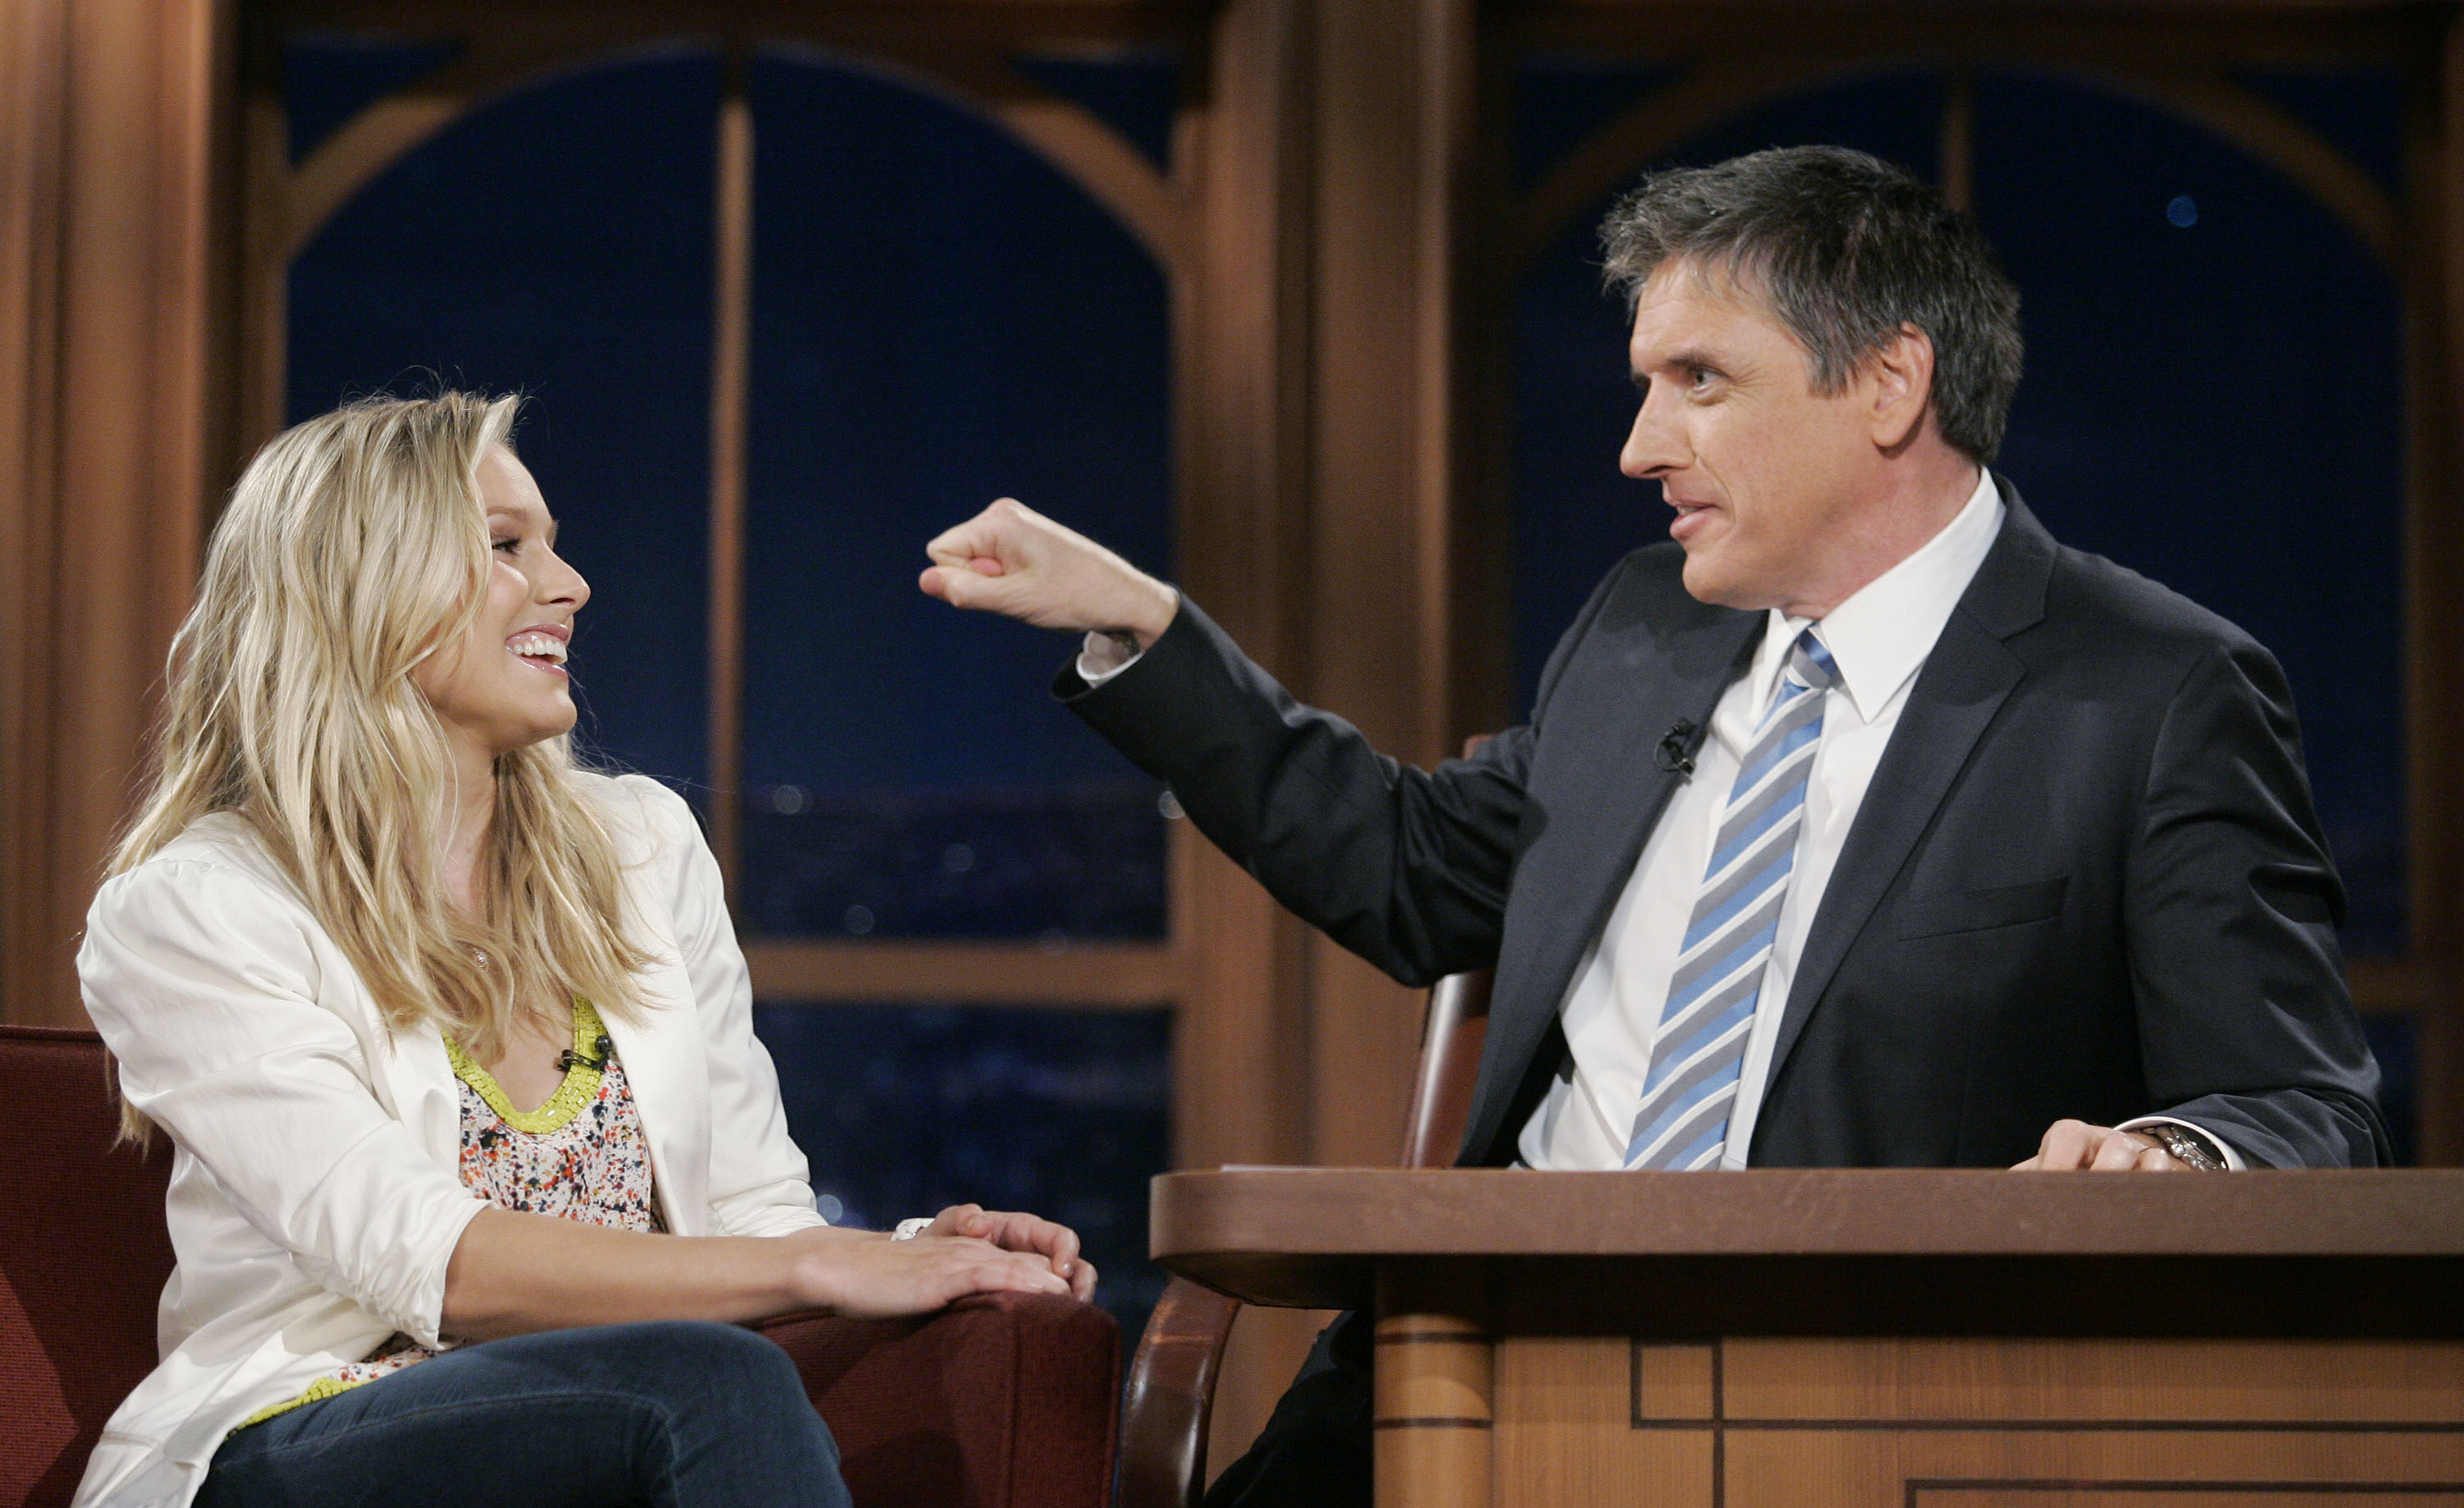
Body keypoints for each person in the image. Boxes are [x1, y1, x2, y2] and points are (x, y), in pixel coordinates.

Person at [917, 146, 2391, 1504]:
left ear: (1890, 385)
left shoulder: (2153, 692)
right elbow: (1415, 870)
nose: (1638, 446)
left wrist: (2173, 1160)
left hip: (1852, 1400)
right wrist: (1141, 628)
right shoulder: (1645, 629)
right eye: (1646, 383)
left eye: (1698, 380)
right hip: (1477, 1356)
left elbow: (2301, 1109)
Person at [76, 393, 1097, 1508]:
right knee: (705, 1383)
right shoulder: (194, 909)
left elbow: (750, 1217)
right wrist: (822, 1262)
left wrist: (912, 1256)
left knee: (701, 1383)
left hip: (616, 1415)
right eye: (506, 546)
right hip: (303, 1433)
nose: (569, 585)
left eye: (552, 545)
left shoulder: (643, 847)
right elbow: (422, 1258)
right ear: (358, 584)